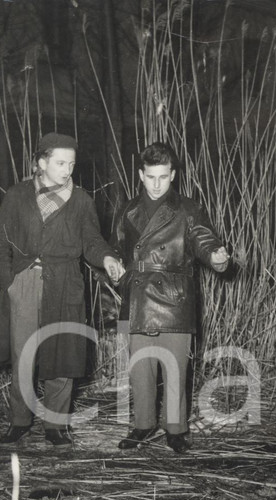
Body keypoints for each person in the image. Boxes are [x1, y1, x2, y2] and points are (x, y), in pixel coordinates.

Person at [0, 132, 124, 446]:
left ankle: (56, 426)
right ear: (41, 162)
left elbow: (91, 241)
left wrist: (106, 257)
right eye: (60, 162)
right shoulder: (17, 195)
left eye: (71, 163)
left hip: (65, 283)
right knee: (24, 353)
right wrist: (8, 283)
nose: (67, 169)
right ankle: (20, 421)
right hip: (24, 281)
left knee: (62, 352)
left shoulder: (81, 201)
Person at [113, 142, 229, 454]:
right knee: (141, 369)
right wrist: (116, 271)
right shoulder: (127, 210)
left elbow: (203, 238)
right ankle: (142, 425)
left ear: (173, 174)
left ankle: (176, 430)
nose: (156, 184)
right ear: (140, 174)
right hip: (137, 298)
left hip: (175, 299)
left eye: (163, 177)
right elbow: (117, 249)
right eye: (150, 177)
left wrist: (217, 256)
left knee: (176, 368)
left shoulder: (188, 209)